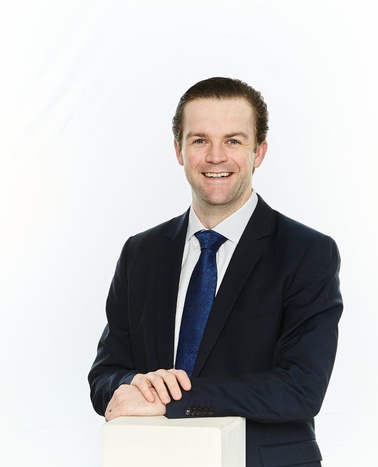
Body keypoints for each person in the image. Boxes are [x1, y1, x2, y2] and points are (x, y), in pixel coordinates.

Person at [88, 77, 343, 467]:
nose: (216, 157)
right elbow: (105, 375)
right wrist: (131, 385)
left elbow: (301, 388)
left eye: (234, 140)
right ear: (179, 150)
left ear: (259, 152)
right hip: (153, 459)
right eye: (200, 140)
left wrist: (172, 399)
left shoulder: (307, 253)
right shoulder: (141, 253)